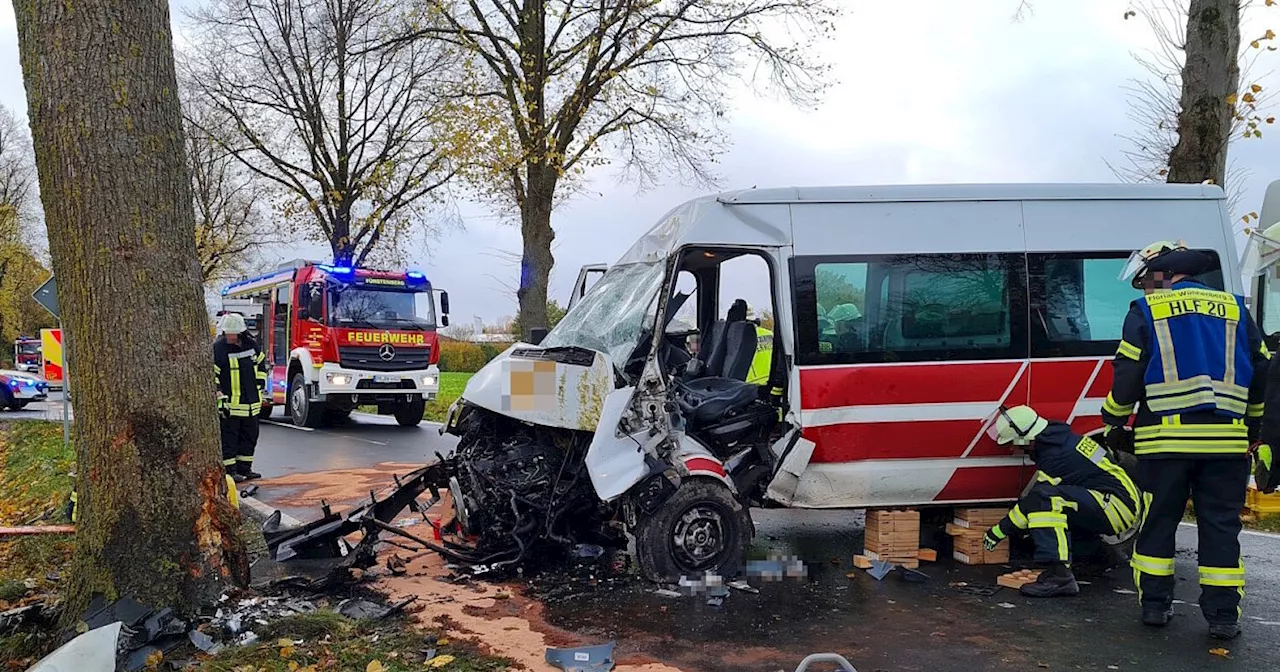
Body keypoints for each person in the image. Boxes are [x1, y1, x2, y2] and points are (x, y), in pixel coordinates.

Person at [1101, 240, 1269, 640]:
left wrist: (1113, 418)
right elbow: (1262, 368)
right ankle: (1223, 616)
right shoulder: (1234, 308)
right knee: (1220, 529)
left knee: (1159, 523)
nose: (1146, 289)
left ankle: (1156, 608)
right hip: (1226, 445)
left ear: (1165, 274)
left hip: (1165, 443)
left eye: (1147, 281)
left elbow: (1129, 372)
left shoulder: (1147, 310)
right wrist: (1254, 427)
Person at [981, 405, 1141, 598]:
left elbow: (1035, 500)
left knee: (1046, 502)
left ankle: (1060, 578)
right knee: (1063, 503)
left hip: (1117, 507)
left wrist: (999, 531)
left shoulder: (1055, 457)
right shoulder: (1063, 441)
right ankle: (1098, 557)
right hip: (1119, 499)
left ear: (1028, 439)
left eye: (1014, 443)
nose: (1012, 448)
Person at [213, 313, 268, 482]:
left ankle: (245, 468)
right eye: (227, 333)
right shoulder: (218, 348)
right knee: (230, 438)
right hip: (231, 404)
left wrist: (260, 383)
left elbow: (260, 364)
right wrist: (218, 392)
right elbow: (213, 374)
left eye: (232, 333)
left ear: (240, 332)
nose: (229, 336)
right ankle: (230, 471)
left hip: (251, 403)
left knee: (250, 436)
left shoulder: (251, 345)